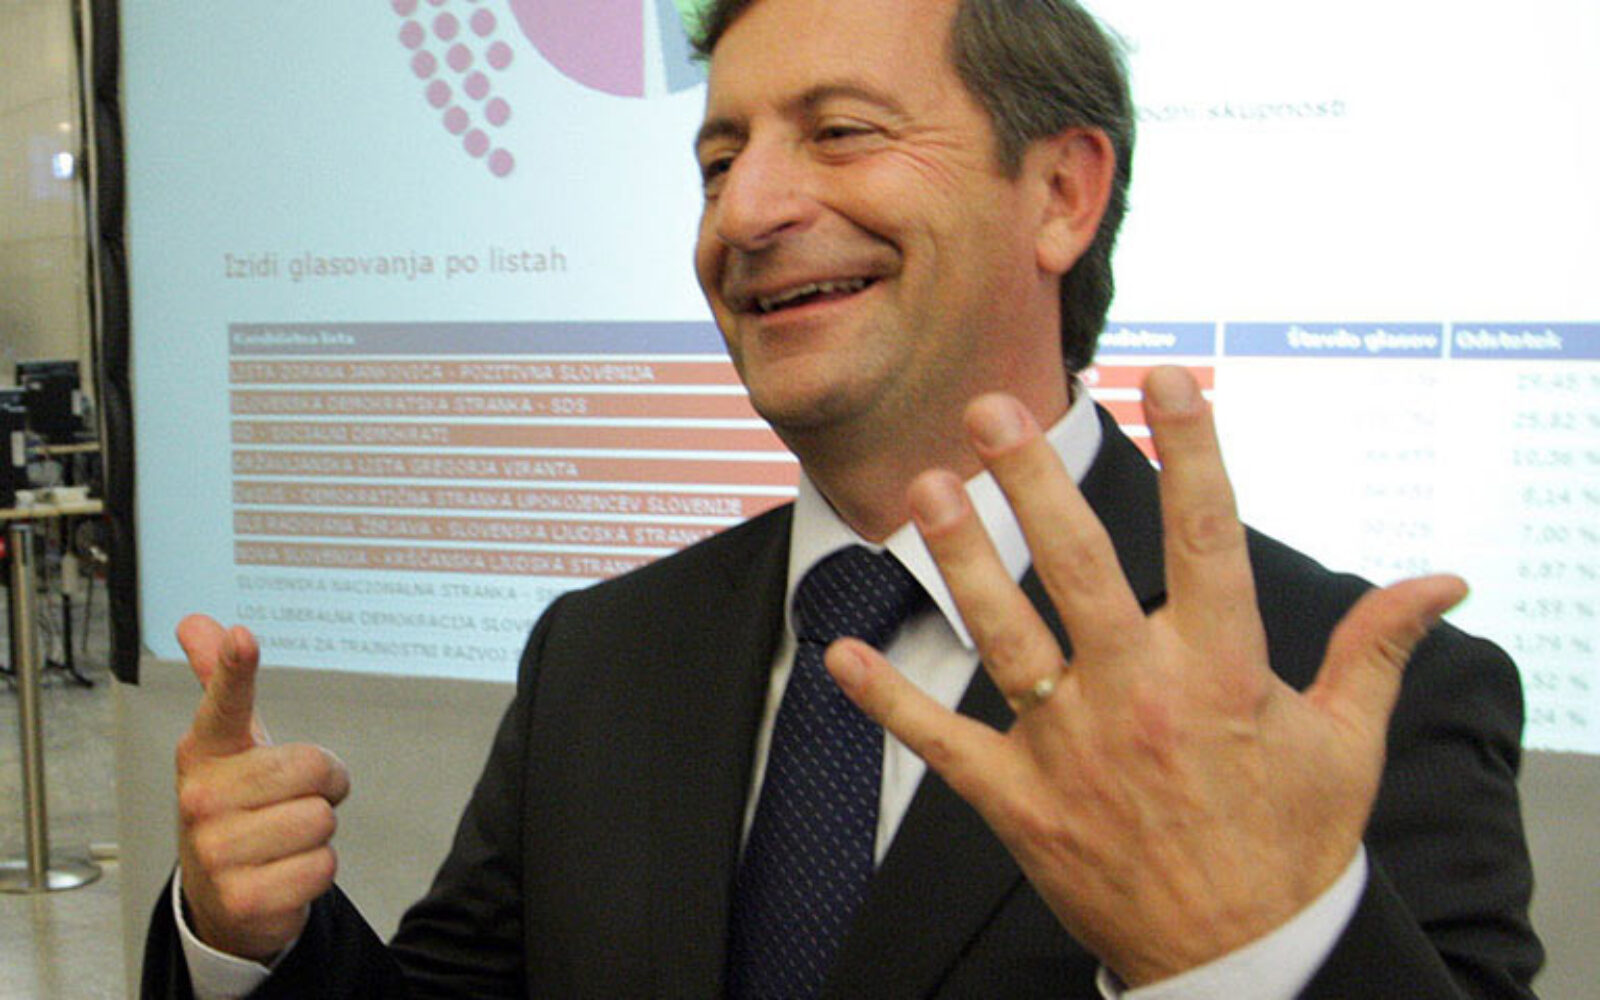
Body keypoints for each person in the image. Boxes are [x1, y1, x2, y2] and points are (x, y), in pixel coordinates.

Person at [142, 0, 1543, 996]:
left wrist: (1250, 953)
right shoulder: (605, 653)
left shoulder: (1340, 692)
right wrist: (249, 945)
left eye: (843, 132)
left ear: (1061, 193)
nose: (745, 214)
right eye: (717, 161)